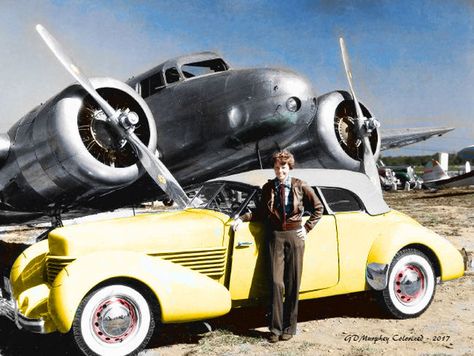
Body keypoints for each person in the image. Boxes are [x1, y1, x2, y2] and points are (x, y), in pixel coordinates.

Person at [233, 150, 324, 343]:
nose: (279, 171)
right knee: (275, 283)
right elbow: (260, 211)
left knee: (292, 283)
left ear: (289, 167)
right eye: (276, 167)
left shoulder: (300, 185)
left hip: (295, 236)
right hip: (275, 236)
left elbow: (318, 208)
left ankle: (289, 328)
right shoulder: (268, 187)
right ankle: (274, 328)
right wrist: (242, 218)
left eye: (283, 167)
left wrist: (306, 228)